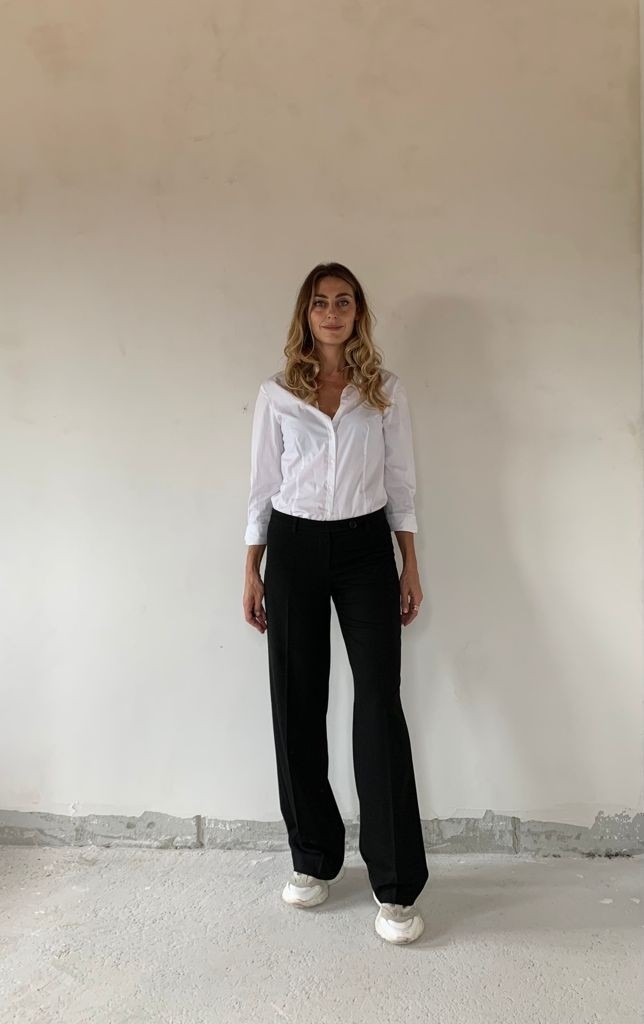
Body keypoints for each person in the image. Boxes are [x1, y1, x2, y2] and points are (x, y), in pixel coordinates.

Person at [242, 262, 429, 944]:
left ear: (357, 314)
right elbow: (261, 487)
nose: (331, 312)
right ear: (306, 313)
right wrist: (251, 568)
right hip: (292, 546)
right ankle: (313, 857)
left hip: (364, 547)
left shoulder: (384, 392)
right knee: (297, 699)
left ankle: (396, 886)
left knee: (378, 704)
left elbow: (401, 482)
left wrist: (409, 563)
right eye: (320, 302)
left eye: (343, 302)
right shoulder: (276, 394)